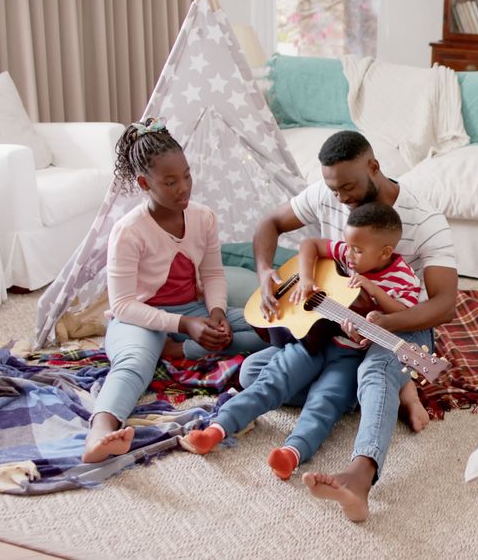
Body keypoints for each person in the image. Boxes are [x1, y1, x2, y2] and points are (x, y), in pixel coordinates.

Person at [246, 130, 457, 521]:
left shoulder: (425, 219)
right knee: (252, 371)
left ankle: (359, 479)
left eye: (347, 187)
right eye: (333, 189)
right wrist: (263, 273)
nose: (340, 198)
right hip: (338, 323)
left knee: (375, 371)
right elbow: (271, 222)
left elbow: (445, 304)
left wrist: (385, 319)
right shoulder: (330, 192)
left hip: (399, 322)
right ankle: (385, 390)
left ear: (373, 167)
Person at [181, 202, 426, 482]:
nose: (349, 255)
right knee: (271, 379)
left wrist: (373, 293)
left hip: (351, 356)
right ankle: (216, 429)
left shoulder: (403, 278)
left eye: (357, 250)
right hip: (313, 339)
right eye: (347, 246)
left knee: (326, 400)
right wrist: (307, 280)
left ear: (385, 251)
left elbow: (405, 316)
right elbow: (310, 244)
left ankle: (292, 452)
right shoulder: (350, 250)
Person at [82, 118, 268, 464]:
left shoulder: (203, 217)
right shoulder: (129, 231)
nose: (184, 187)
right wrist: (186, 327)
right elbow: (122, 305)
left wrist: (214, 314)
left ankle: (179, 351)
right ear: (144, 183)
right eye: (170, 181)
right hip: (138, 319)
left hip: (191, 310)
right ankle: (100, 434)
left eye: (186, 175)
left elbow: (212, 273)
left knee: (269, 328)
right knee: (134, 363)